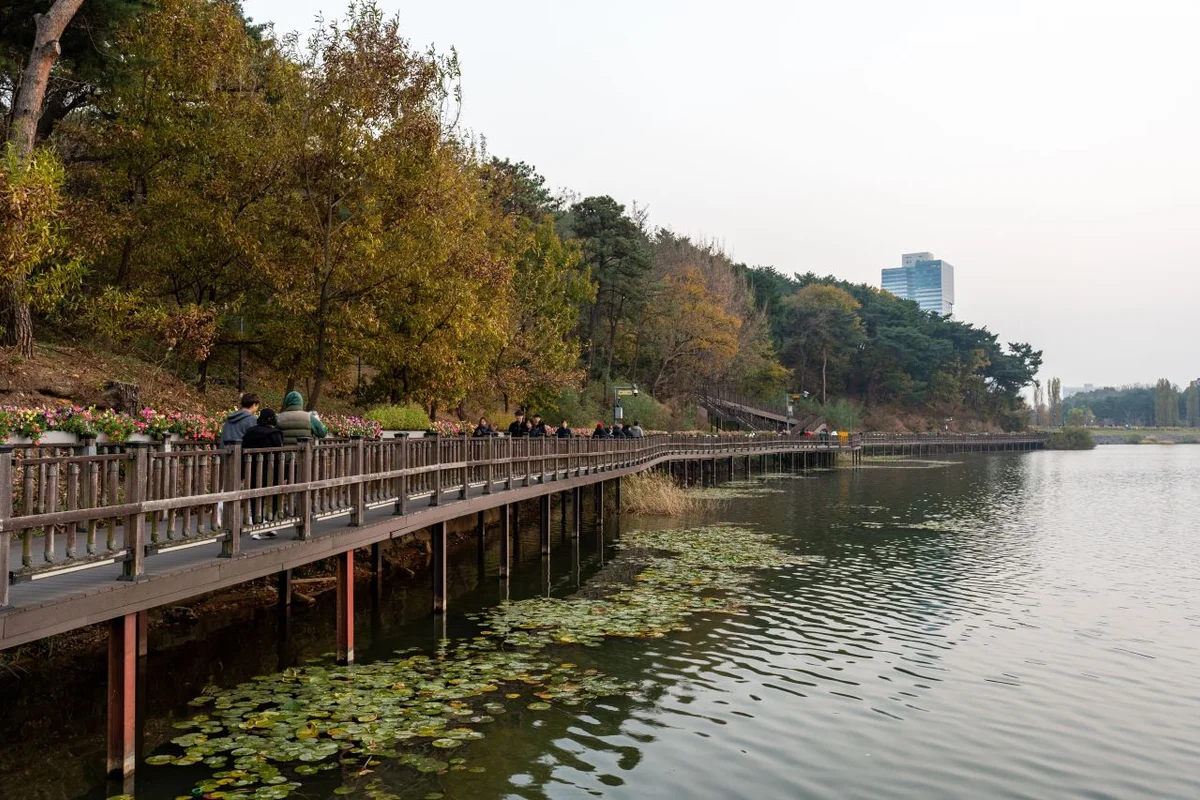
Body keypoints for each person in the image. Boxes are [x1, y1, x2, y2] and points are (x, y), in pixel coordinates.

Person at [242, 408, 284, 530]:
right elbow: (279, 454)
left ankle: (257, 521)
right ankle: (270, 520)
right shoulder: (275, 434)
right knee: (274, 494)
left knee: (255, 495)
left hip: (252, 469)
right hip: (271, 470)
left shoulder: (250, 432)